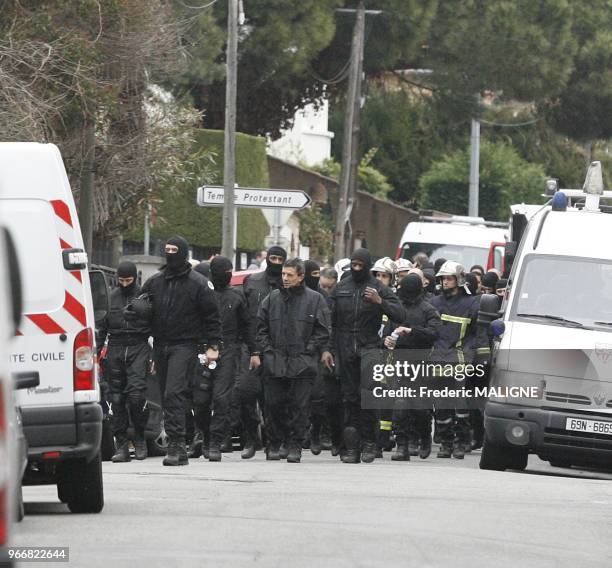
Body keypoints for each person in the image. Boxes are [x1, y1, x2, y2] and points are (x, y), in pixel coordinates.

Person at [142, 236, 222, 466]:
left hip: (186, 345)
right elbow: (141, 308)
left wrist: (213, 347)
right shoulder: (155, 282)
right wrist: (135, 312)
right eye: (166, 250)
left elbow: (212, 317)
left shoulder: (198, 283)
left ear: (183, 253)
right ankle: (184, 442)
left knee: (173, 393)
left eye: (174, 250)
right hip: (160, 344)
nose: (170, 254)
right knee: (171, 395)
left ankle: (176, 444)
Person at [330, 248, 406, 463]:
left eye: (359, 266)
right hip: (345, 348)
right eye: (353, 265)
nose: (356, 269)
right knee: (349, 398)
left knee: (368, 396)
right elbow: (331, 322)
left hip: (370, 347)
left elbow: (401, 314)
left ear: (367, 266)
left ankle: (370, 444)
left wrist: (379, 301)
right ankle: (352, 447)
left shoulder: (378, 287)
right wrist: (330, 349)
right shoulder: (341, 287)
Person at [256, 258, 333, 463]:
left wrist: (309, 350)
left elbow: (323, 330)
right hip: (276, 361)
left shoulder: (315, 299)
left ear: (301, 276)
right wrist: (268, 351)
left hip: (302, 363)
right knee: (273, 405)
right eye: (283, 274)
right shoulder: (272, 299)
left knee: (299, 407)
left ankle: (294, 445)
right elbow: (260, 327)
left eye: (290, 275)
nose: (286, 278)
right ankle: (274, 443)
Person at [191, 256, 256, 461]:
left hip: (229, 350)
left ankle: (215, 442)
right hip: (204, 350)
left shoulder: (236, 297)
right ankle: (205, 435)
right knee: (200, 400)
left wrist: (254, 351)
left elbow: (246, 327)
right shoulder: (202, 293)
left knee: (221, 398)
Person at [430, 261, 490, 459]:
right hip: (439, 358)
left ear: (459, 280)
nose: (445, 282)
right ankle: (446, 443)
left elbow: (479, 333)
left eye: (449, 278)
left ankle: (461, 442)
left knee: (460, 404)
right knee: (441, 404)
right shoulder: (435, 303)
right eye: (443, 279)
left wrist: (481, 357)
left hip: (461, 359)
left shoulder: (472, 304)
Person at [384, 274, 441, 460]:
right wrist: (387, 340)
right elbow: (386, 330)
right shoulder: (396, 308)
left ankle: (424, 437)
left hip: (422, 363)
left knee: (420, 408)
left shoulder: (428, 310)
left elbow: (434, 333)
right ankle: (402, 446)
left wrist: (411, 331)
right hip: (399, 361)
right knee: (400, 405)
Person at [239, 245, 288, 458]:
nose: (276, 263)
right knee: (245, 392)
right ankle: (251, 438)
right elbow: (244, 316)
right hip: (251, 347)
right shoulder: (252, 282)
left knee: (274, 400)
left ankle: (274, 442)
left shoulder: (287, 284)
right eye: (273, 258)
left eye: (280, 259)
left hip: (278, 349)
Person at [105, 260, 151, 463]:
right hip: (115, 347)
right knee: (116, 400)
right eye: (121, 280)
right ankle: (121, 444)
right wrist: (96, 352)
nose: (124, 284)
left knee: (136, 397)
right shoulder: (109, 297)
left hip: (138, 346)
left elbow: (154, 325)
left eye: (128, 280)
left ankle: (140, 438)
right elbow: (101, 326)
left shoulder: (144, 297)